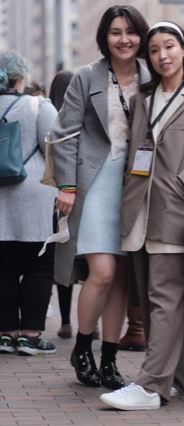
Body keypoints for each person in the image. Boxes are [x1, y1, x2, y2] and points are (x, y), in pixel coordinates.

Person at [99, 21, 184, 411]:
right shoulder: (142, 99)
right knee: (154, 299)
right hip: (137, 213)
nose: (162, 56)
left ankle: (151, 386)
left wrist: (182, 183)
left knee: (164, 298)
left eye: (169, 47)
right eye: (154, 51)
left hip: (174, 213)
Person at [50, 5, 150, 389]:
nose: (124, 39)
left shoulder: (151, 75)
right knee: (103, 272)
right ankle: (83, 347)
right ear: (104, 37)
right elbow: (63, 133)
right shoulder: (86, 76)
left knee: (121, 276)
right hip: (95, 183)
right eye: (115, 32)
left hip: (136, 185)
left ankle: (108, 360)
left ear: (141, 36)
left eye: (131, 32)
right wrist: (67, 186)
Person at [0, 50, 58, 356]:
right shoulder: (36, 105)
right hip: (33, 194)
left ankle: (6, 333)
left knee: (3, 266)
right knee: (38, 265)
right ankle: (31, 335)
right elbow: (57, 145)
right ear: (20, 78)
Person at [48, 70, 76, 339]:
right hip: (78, 196)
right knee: (87, 263)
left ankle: (66, 320)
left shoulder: (49, 117)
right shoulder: (78, 119)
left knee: (63, 262)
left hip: (54, 200)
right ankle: (94, 323)